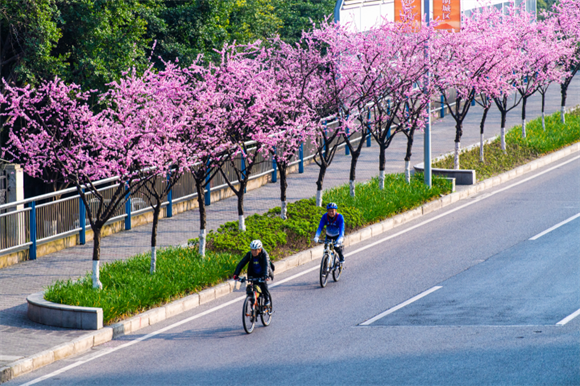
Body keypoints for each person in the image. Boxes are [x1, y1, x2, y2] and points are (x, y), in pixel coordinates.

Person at [233, 240, 274, 306]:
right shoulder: (250, 255)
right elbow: (241, 263)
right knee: (252, 288)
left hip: (264, 273)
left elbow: (266, 265)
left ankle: (267, 300)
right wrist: (236, 274)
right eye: (252, 250)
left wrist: (266, 275)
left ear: (260, 249)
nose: (254, 252)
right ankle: (253, 302)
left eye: (256, 250)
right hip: (253, 273)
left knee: (263, 285)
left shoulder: (264, 254)